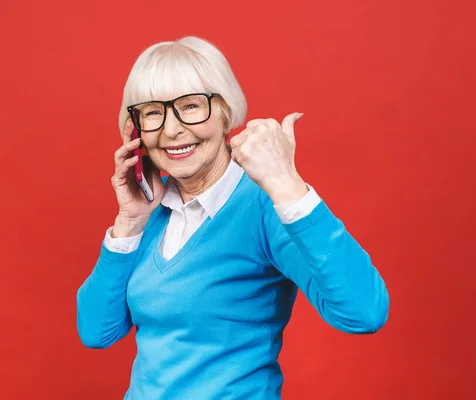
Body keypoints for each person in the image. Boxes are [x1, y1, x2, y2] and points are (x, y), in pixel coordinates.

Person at [76, 36, 389, 400]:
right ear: (137, 131)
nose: (172, 129)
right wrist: (128, 222)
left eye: (191, 106)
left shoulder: (263, 206)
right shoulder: (151, 210)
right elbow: (97, 332)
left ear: (226, 112)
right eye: (152, 112)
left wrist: (286, 184)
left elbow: (364, 312)